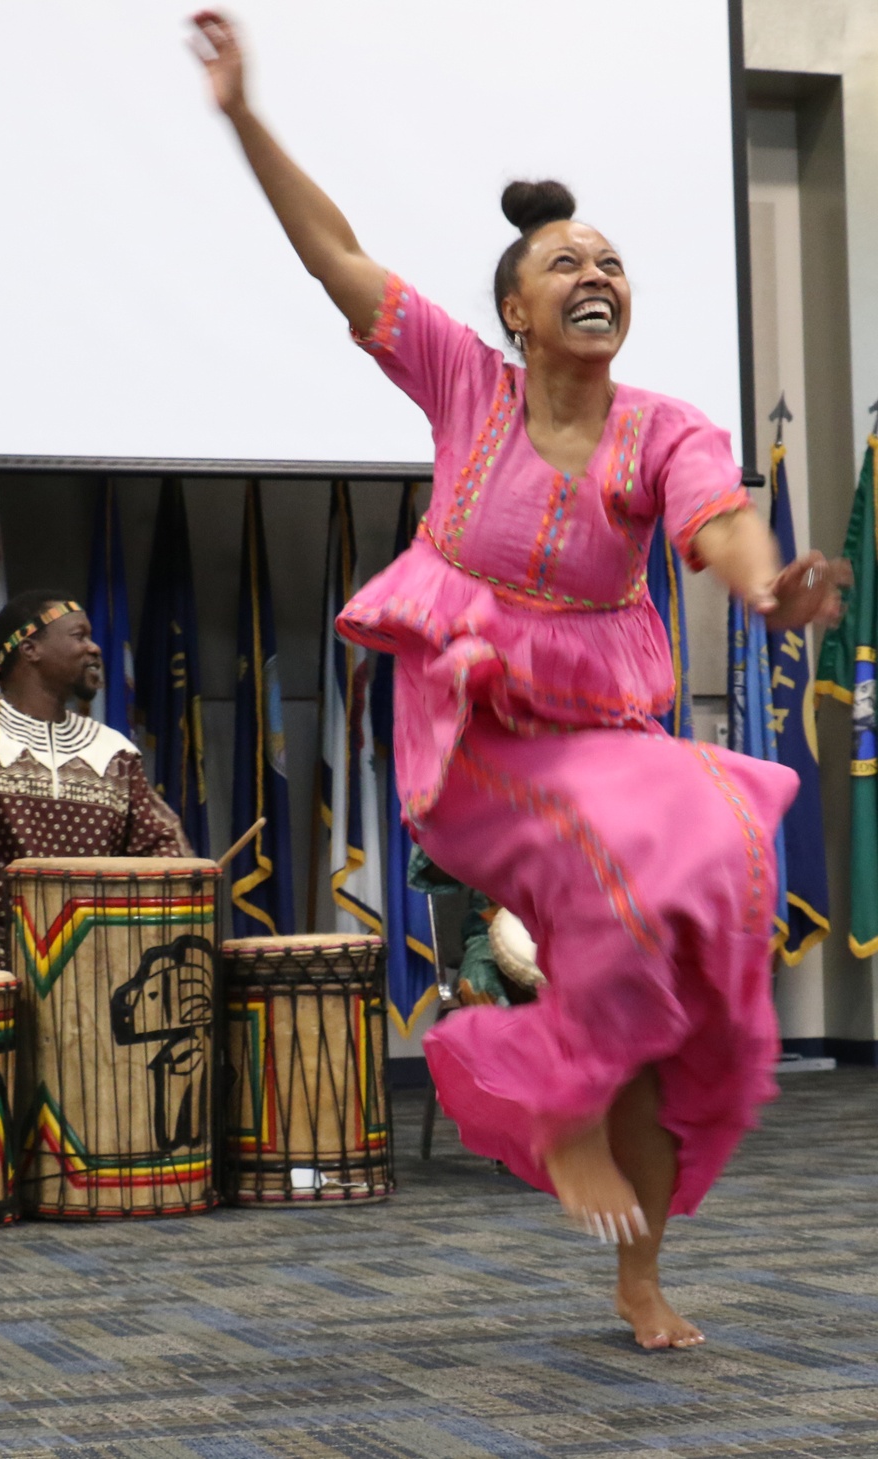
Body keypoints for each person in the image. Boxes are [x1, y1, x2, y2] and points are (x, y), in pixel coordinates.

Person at [189, 13, 845, 1349]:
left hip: (603, 727)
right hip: (472, 725)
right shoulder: (460, 382)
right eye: (565, 263)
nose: (596, 273)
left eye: (611, 261)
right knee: (642, 847)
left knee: (711, 888)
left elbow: (715, 513)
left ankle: (639, 1265)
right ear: (515, 307)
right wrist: (244, 115)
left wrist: (764, 584)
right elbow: (334, 259)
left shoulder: (667, 426)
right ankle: (556, 1090)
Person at [0, 590, 189, 980]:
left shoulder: (115, 751)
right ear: (30, 649)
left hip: (92, 946)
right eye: (79, 636)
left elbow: (162, 844)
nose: (95, 648)